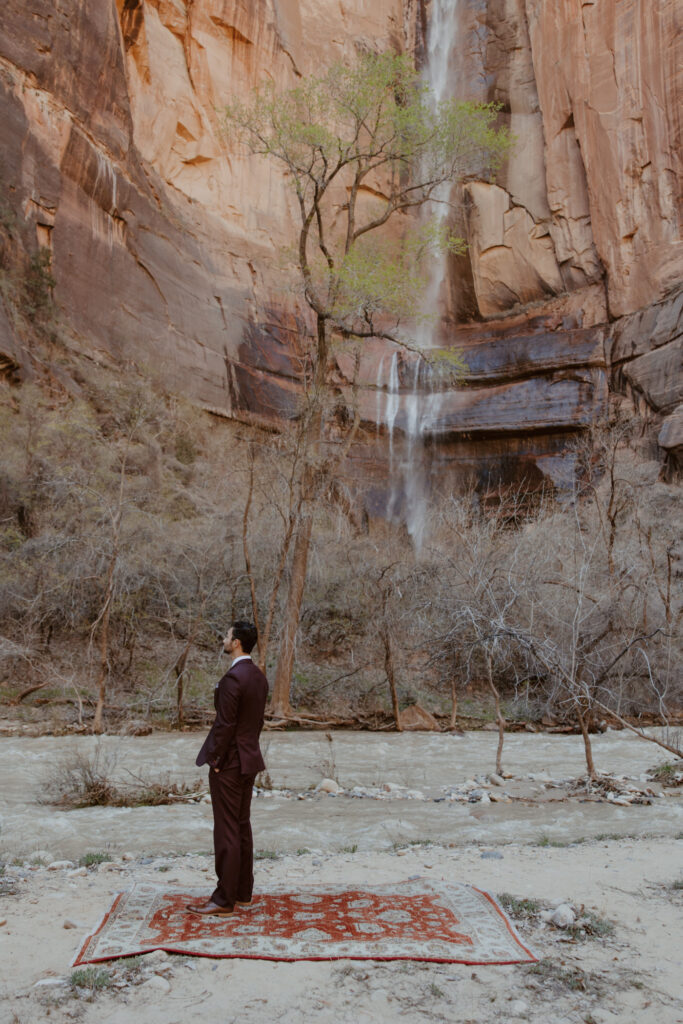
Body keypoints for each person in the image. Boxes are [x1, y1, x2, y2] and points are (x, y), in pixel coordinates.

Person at [187, 620, 269, 916]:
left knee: (226, 830)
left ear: (236, 643)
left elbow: (225, 725)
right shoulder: (258, 677)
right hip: (249, 760)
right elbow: (254, 723)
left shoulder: (234, 678)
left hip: (230, 763)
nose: (223, 639)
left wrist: (217, 761)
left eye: (227, 635)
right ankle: (243, 893)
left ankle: (224, 899)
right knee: (242, 826)